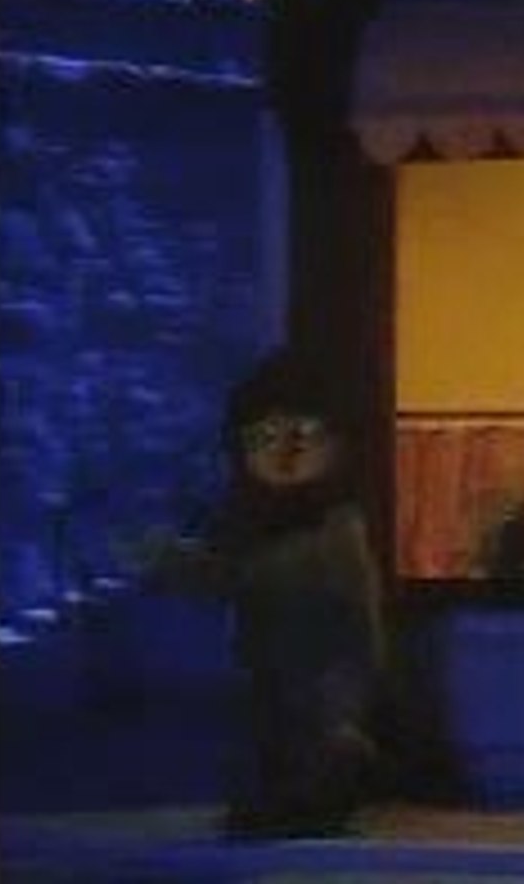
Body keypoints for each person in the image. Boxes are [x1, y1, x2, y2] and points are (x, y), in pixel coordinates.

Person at [150, 350, 385, 838]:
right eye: (263, 438)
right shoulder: (248, 520)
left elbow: (348, 622)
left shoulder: (338, 527)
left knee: (310, 744)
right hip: (264, 684)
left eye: (301, 436)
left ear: (336, 443)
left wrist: (347, 710)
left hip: (322, 684)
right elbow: (229, 576)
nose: (282, 453)